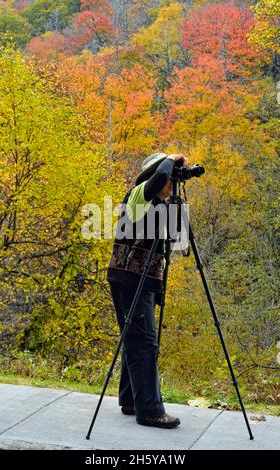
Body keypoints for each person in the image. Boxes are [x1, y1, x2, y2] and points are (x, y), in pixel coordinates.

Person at [107, 152, 189, 429]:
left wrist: (178, 202)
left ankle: (131, 400)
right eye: (168, 179)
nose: (170, 183)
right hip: (132, 280)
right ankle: (151, 411)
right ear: (153, 174)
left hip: (138, 280)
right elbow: (160, 177)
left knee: (135, 339)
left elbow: (179, 239)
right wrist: (172, 158)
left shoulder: (159, 205)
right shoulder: (139, 194)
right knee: (145, 343)